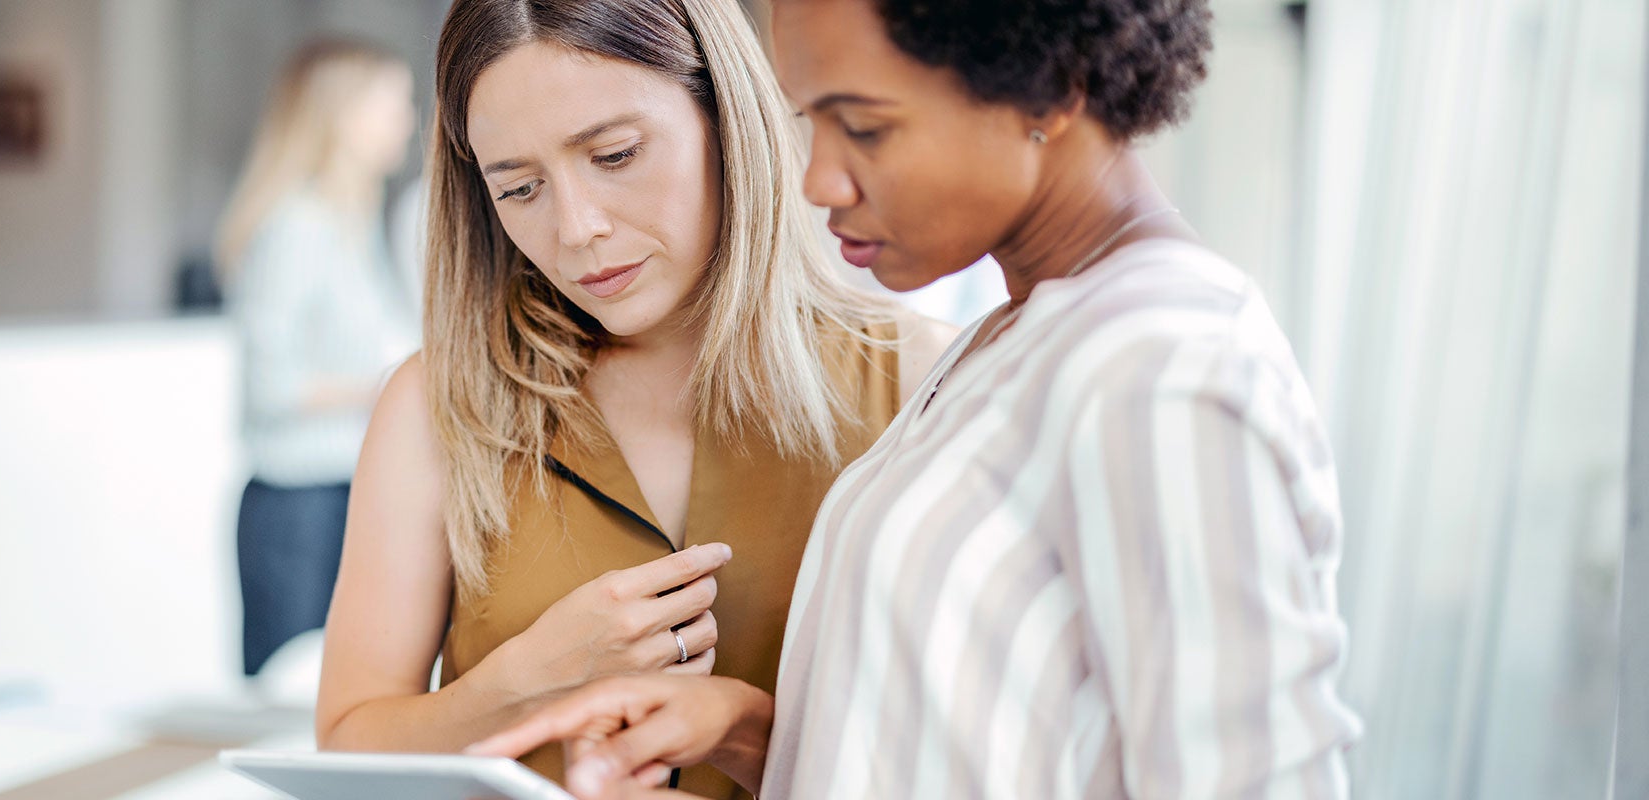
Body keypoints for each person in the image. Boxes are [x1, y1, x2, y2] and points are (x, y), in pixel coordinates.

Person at [469, 1, 1366, 797]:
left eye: (865, 126)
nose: (819, 179)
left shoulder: (1164, 367)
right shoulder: (1012, 340)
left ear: (1051, 89)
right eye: (811, 121)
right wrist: (748, 735)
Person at [314, 1, 954, 797]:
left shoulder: (914, 379)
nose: (577, 228)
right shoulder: (436, 404)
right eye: (519, 190)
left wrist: (751, 733)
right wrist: (518, 685)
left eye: (615, 155)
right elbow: (346, 745)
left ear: (725, 116)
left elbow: (963, 752)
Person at [216, 39, 421, 678]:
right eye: (393, 105)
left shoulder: (356, 225)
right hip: (296, 506)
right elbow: (270, 384)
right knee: (289, 697)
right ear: (341, 115)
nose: (408, 121)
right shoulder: (298, 225)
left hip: (342, 492)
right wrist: (390, 384)